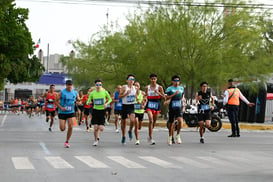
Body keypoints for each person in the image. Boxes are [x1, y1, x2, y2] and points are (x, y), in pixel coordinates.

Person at [86, 79, 112, 146]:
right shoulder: (92, 93)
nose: (98, 86)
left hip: (102, 111)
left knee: (101, 128)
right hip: (95, 110)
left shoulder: (104, 92)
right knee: (95, 127)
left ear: (101, 85)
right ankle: (95, 140)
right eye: (97, 85)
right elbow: (87, 101)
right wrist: (90, 102)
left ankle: (98, 134)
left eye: (100, 85)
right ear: (95, 85)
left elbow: (110, 99)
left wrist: (106, 103)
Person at [55, 80, 80, 148]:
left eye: (71, 85)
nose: (69, 87)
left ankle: (67, 141)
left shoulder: (75, 93)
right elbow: (56, 101)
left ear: (72, 85)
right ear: (66, 85)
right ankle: (64, 124)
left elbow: (78, 99)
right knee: (62, 129)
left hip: (71, 112)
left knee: (71, 126)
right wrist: (61, 107)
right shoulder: (62, 92)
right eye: (68, 85)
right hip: (62, 112)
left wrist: (78, 102)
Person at [145, 73, 165, 145]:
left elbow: (164, 97)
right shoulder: (147, 87)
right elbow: (146, 96)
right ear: (150, 79)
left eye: (154, 79)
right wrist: (144, 101)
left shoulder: (159, 87)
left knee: (154, 121)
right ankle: (150, 137)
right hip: (150, 104)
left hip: (157, 104)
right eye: (152, 79)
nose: (153, 80)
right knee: (151, 119)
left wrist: (158, 93)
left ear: (156, 79)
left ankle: (150, 133)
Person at [165, 75, 185, 145]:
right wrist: (173, 94)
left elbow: (182, 97)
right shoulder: (169, 89)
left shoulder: (181, 88)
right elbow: (166, 97)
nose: (177, 82)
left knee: (180, 121)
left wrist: (184, 103)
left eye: (178, 81)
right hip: (172, 107)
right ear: (172, 81)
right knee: (171, 123)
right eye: (175, 81)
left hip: (179, 107)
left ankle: (178, 135)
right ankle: (170, 137)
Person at [119, 74, 137, 144]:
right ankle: (123, 136)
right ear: (127, 80)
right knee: (124, 123)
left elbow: (135, 96)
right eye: (130, 79)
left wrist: (137, 99)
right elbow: (120, 96)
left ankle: (130, 130)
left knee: (133, 120)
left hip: (131, 105)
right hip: (124, 106)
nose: (132, 81)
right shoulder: (124, 87)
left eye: (133, 79)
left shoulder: (135, 88)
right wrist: (126, 94)